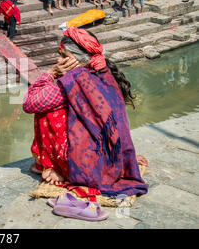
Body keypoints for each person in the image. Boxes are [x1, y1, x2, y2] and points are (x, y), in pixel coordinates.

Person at [22, 27, 149, 200]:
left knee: (45, 112)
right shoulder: (104, 72)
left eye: (64, 56)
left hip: (86, 163)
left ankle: (57, 168)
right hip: (111, 156)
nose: (58, 60)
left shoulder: (72, 82)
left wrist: (50, 74)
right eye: (59, 54)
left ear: (81, 61)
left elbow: (29, 103)